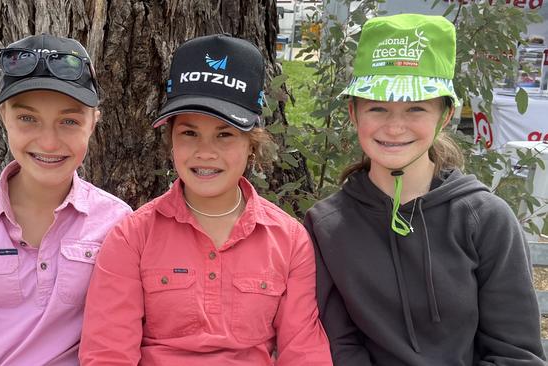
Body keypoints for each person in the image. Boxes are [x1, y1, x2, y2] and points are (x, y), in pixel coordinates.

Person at [305, 14, 546, 365]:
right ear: (354, 114)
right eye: (377, 107)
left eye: (416, 108)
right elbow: (339, 347)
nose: (395, 126)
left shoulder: (486, 219)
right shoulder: (326, 226)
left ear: (445, 115)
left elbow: (516, 353)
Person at [79, 34, 332, 365]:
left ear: (251, 144)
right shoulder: (132, 237)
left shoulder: (289, 240)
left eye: (225, 134)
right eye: (189, 133)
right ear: (171, 139)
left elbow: (304, 353)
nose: (205, 152)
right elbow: (107, 354)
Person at [0, 34, 132, 365]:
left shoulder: (116, 222)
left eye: (69, 121)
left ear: (94, 123)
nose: (48, 142)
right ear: (4, 116)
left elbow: (116, 347)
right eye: (27, 118)